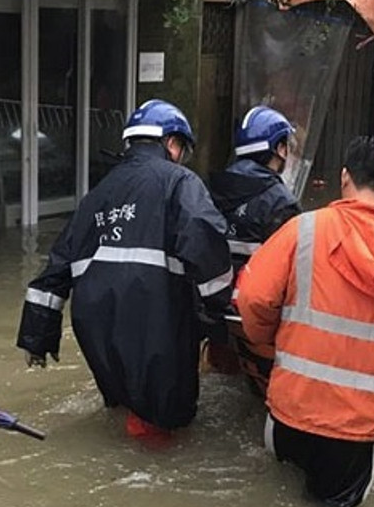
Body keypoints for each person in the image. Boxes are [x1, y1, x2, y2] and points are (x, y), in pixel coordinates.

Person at [235, 136, 374, 507]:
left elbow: (252, 298)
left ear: (344, 177)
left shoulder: (304, 230)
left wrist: (267, 343)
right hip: (357, 430)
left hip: (290, 411)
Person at [16, 99, 234, 440]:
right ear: (172, 143)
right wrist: (220, 309)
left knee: (121, 402)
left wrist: (37, 338)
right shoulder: (179, 182)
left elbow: (55, 268)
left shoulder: (96, 195)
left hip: (95, 324)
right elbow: (205, 242)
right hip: (156, 320)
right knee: (165, 419)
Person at [204, 105, 301, 381]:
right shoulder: (281, 201)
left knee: (220, 378)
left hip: (214, 311)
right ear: (279, 148)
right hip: (256, 316)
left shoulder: (208, 188)